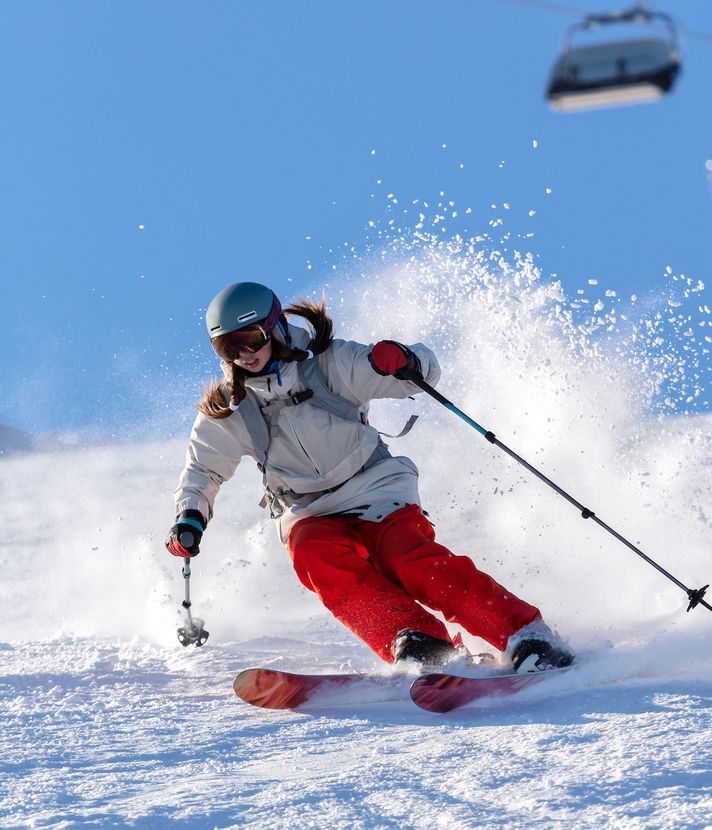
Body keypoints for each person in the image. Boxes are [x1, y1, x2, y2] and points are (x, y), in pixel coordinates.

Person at [166, 281, 574, 672]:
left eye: (251, 338)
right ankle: (418, 640)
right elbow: (203, 468)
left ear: (275, 328)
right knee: (317, 559)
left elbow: (423, 372)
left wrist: (402, 361)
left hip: (374, 487)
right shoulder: (229, 407)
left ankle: (525, 635)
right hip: (306, 509)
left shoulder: (328, 364)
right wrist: (190, 515)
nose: (243, 354)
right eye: (228, 346)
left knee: (409, 560)